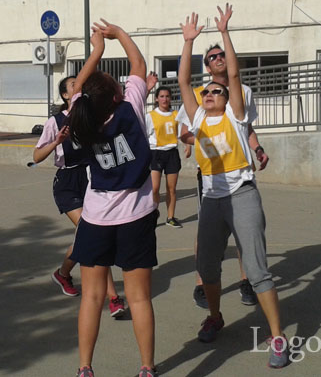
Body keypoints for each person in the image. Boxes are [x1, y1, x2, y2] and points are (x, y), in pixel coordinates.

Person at [178, 6, 288, 369]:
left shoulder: (235, 115)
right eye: (206, 91)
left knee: (256, 269)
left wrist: (225, 33)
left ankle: (277, 336)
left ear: (227, 98)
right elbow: (182, 83)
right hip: (211, 198)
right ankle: (215, 316)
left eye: (216, 92)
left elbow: (235, 74)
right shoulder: (197, 117)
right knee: (207, 265)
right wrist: (188, 42)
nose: (209, 94)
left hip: (241, 194)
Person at [67, 19, 157, 377]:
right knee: (139, 298)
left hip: (97, 218)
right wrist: (118, 35)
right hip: (136, 215)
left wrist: (96, 50)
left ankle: (85, 368)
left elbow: (76, 86)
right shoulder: (129, 109)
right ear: (117, 95)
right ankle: (147, 368)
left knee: (91, 297)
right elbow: (139, 65)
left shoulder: (80, 119)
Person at [176, 41, 270, 309]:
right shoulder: (199, 94)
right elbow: (184, 132)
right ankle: (201, 283)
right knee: (206, 232)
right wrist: (210, 140)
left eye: (221, 55)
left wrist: (257, 149)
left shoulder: (243, 92)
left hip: (238, 174)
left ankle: (247, 280)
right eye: (212, 57)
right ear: (206, 66)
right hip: (210, 175)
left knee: (245, 228)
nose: (218, 58)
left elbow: (246, 126)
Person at [33, 75, 127, 321]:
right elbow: (36, 156)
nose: (79, 85)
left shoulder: (90, 114)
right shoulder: (55, 121)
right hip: (67, 182)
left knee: (92, 235)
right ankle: (114, 298)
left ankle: (63, 273)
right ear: (66, 95)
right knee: (93, 233)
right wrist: (56, 142)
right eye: (74, 84)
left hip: (90, 177)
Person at [146, 86, 187, 228]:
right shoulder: (150, 116)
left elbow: (183, 133)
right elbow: (143, 136)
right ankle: (152, 215)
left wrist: (188, 146)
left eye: (167, 96)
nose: (165, 99)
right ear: (157, 99)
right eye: (162, 96)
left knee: (171, 188)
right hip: (155, 153)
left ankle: (170, 217)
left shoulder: (176, 114)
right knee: (155, 188)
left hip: (171, 153)